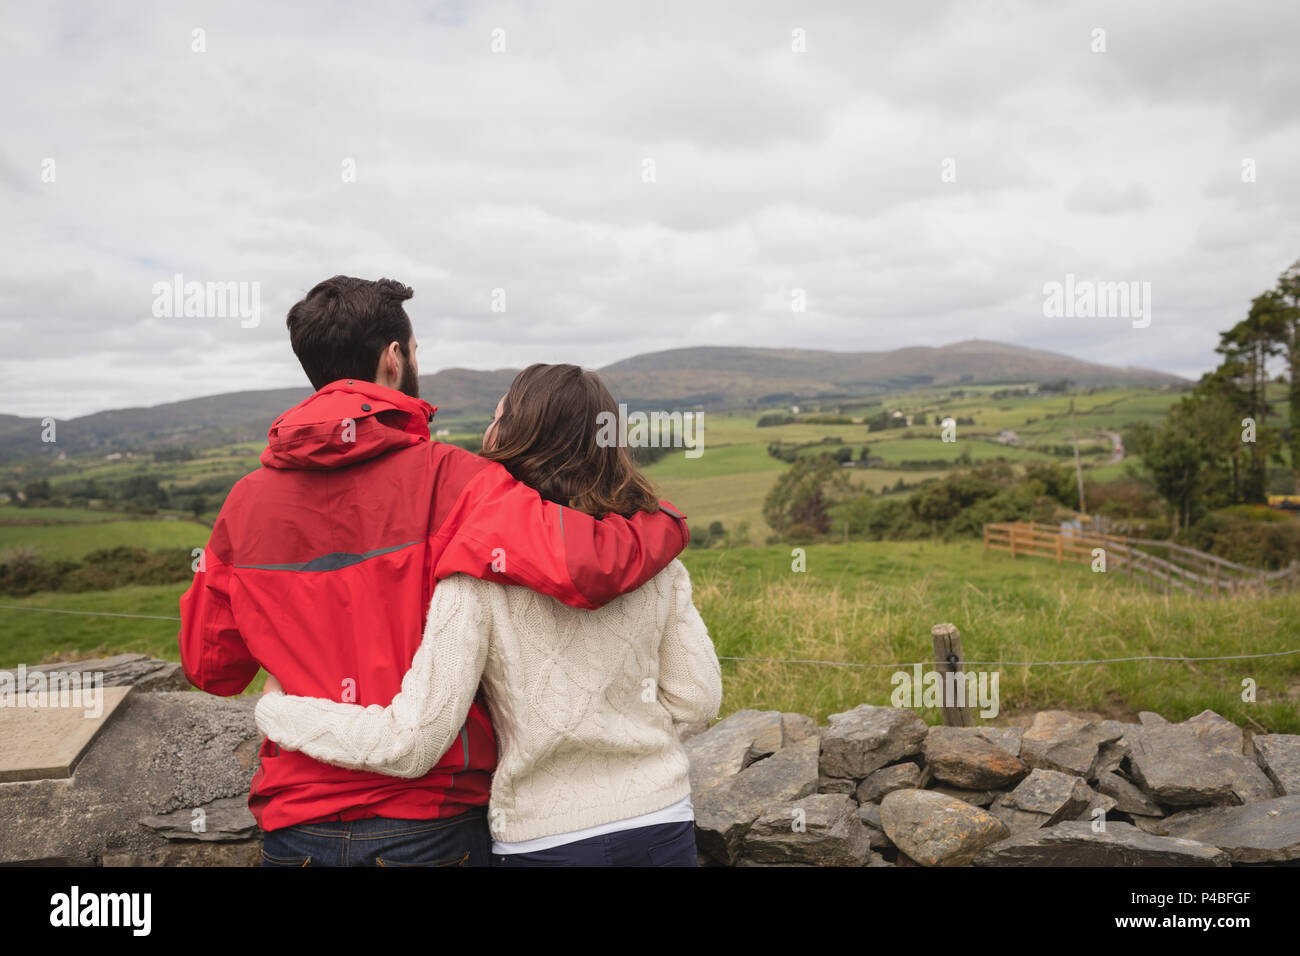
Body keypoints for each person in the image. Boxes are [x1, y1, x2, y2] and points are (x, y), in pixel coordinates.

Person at [178, 278, 689, 867]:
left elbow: (210, 668)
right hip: (431, 819)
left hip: (297, 822)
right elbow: (591, 563)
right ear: (394, 358)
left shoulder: (242, 506)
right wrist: (667, 521)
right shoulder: (456, 480)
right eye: (415, 349)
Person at [255, 363, 722, 866]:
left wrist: (278, 710)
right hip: (660, 823)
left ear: (517, 438)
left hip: (542, 840)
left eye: (498, 418)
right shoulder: (652, 562)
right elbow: (697, 700)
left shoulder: (476, 573)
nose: (488, 430)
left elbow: (413, 743)